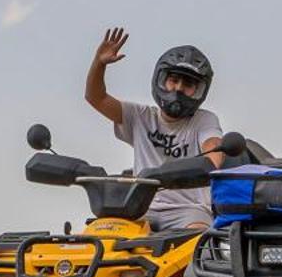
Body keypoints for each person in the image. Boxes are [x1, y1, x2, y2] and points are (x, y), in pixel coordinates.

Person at [85, 30, 226, 229]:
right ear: (161, 80)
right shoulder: (140, 116)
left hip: (188, 209)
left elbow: (213, 153)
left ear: (199, 90)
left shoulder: (204, 120)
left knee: (199, 241)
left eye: (188, 84)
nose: (178, 88)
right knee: (102, 236)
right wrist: (99, 64)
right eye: (173, 80)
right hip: (140, 206)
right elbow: (96, 98)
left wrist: (207, 162)